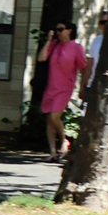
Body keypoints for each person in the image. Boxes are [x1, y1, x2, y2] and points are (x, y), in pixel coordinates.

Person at [36, 24, 90, 162]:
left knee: (55, 116)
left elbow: (84, 68)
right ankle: (53, 151)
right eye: (56, 30)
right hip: (51, 86)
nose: (58, 33)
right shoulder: (54, 45)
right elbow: (41, 58)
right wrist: (49, 40)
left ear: (69, 30)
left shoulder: (76, 48)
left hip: (65, 87)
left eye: (61, 29)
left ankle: (64, 141)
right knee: (49, 119)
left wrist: (83, 86)